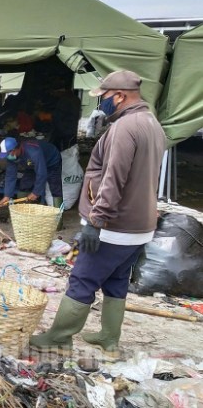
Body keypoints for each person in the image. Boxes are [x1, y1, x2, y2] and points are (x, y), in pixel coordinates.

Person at [29, 70, 166, 358]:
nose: (99, 103)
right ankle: (108, 337)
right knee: (116, 279)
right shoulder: (151, 123)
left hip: (115, 225)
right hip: (139, 224)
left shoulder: (124, 128)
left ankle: (59, 337)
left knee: (83, 278)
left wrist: (96, 221)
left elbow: (113, 179)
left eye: (102, 97)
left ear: (119, 96)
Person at [0, 137, 63, 209]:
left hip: (52, 161)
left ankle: (59, 216)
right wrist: (7, 195)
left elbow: (42, 173)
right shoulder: (11, 156)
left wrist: (36, 192)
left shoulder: (34, 152)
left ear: (14, 150)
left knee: (55, 187)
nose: (7, 157)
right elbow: (10, 175)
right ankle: (23, 214)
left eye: (7, 154)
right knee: (25, 185)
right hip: (31, 164)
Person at [49, 78, 82, 151]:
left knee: (65, 151)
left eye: (54, 93)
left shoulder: (64, 101)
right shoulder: (76, 99)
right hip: (73, 130)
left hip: (65, 132)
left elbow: (57, 117)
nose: (54, 95)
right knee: (70, 151)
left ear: (59, 92)